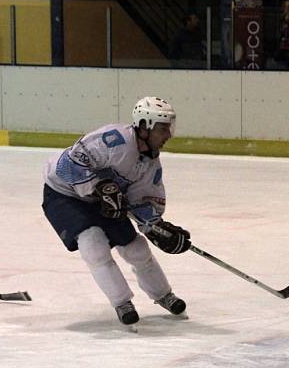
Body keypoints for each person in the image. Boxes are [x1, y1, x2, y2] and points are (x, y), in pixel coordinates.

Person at [42, 97, 191, 326]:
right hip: (64, 194)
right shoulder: (114, 140)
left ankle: (163, 294)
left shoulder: (150, 164)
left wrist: (155, 227)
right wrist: (98, 186)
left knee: (137, 249)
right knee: (93, 242)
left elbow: (142, 202)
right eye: (163, 129)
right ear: (144, 126)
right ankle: (122, 302)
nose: (168, 135)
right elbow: (66, 165)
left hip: (104, 201)